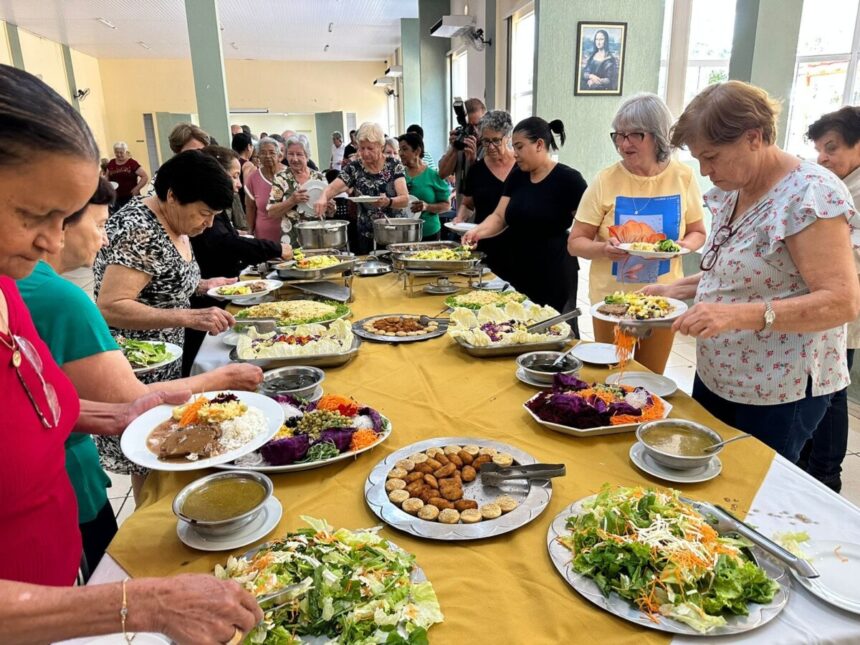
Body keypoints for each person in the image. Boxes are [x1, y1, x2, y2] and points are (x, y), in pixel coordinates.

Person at [0, 63, 262, 644]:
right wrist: (136, 604)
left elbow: (37, 407)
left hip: (57, 582)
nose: (54, 243)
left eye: (65, 218)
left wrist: (115, 414)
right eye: (35, 215)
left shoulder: (10, 293)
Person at [18, 177, 264, 563]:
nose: (104, 241)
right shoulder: (61, 298)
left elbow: (46, 402)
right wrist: (223, 379)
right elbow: (132, 397)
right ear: (58, 223)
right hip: (59, 482)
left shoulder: (20, 286)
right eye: (99, 225)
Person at [642, 81, 860, 463]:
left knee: (752, 490)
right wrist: (678, 289)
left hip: (778, 389)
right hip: (721, 374)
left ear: (753, 138)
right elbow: (741, 273)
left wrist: (733, 316)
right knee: (707, 474)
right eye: (699, 159)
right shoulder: (735, 187)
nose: (705, 171)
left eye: (711, 156)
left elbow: (842, 302)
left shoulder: (809, 193)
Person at [93, 151, 238, 481]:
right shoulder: (139, 231)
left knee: (169, 451)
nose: (209, 223)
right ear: (172, 195)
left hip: (166, 360)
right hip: (137, 368)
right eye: (204, 213)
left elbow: (163, 281)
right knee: (148, 460)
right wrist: (188, 317)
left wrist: (203, 285)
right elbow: (112, 305)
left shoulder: (173, 219)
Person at [567, 93, 707, 373]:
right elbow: (575, 243)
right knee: (611, 374)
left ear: (658, 137)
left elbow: (698, 232)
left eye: (634, 135)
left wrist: (681, 246)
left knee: (651, 377)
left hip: (663, 301)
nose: (623, 143)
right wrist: (604, 249)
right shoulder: (606, 180)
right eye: (618, 135)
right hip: (612, 302)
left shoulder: (684, 177)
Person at [185, 145, 291, 374]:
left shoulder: (215, 207)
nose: (239, 183)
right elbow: (222, 243)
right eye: (234, 176)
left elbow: (222, 238)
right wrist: (274, 248)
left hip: (214, 290)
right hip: (203, 307)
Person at [463, 117, 587, 312]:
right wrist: (477, 232)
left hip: (554, 269)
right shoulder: (518, 176)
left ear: (539, 144)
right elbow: (499, 217)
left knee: (553, 327)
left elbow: (587, 225)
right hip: (518, 265)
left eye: (519, 147)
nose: (515, 154)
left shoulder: (569, 179)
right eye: (514, 147)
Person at [799, 106, 860, 492]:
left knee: (832, 391)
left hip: (845, 306)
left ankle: (826, 473)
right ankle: (811, 463)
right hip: (823, 303)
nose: (823, 157)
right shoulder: (836, 183)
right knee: (820, 387)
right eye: (820, 149)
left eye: (832, 147)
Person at [314, 122, 409, 254]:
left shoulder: (394, 165)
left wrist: (389, 201)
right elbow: (333, 188)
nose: (364, 153)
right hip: (366, 235)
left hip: (394, 233)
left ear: (381, 146)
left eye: (370, 148)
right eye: (361, 148)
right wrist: (323, 197)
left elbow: (404, 199)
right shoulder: (354, 168)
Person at [452, 110, 518, 281]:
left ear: (508, 137)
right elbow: (468, 203)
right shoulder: (477, 170)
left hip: (520, 247)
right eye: (486, 141)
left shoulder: (522, 168)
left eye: (496, 140)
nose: (490, 147)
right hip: (488, 245)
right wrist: (459, 219)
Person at [268, 136, 331, 247]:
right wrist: (291, 201)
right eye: (291, 154)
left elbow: (329, 213)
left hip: (318, 240)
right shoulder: (281, 178)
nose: (294, 159)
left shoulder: (319, 178)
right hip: (291, 241)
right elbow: (271, 213)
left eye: (299, 154)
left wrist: (331, 207)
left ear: (307, 156)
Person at [398, 132, 450, 240]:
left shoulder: (433, 175)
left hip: (429, 232)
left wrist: (427, 207)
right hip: (404, 233)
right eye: (400, 150)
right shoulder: (398, 175)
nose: (400, 153)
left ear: (417, 151)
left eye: (405, 149)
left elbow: (447, 206)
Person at [438, 98, 486, 193]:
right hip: (462, 205)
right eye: (470, 126)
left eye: (479, 125)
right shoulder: (461, 140)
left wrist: (473, 160)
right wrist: (454, 148)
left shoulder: (490, 145)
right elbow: (442, 174)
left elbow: (489, 180)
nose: (475, 130)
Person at [245, 136, 286, 243]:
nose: (267, 156)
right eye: (263, 153)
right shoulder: (253, 178)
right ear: (258, 155)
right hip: (264, 237)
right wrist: (250, 232)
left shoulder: (289, 175)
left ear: (279, 155)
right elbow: (250, 208)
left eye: (272, 152)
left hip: (290, 233)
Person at [104, 142, 148, 211]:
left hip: (131, 196)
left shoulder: (132, 163)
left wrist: (137, 189)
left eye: (121, 152)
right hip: (116, 197)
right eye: (116, 152)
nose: (119, 155)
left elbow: (144, 176)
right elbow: (106, 177)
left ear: (126, 152)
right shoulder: (111, 163)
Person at [231, 131, 255, 214]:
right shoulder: (248, 164)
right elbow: (248, 189)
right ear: (249, 146)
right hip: (243, 204)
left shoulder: (231, 162)